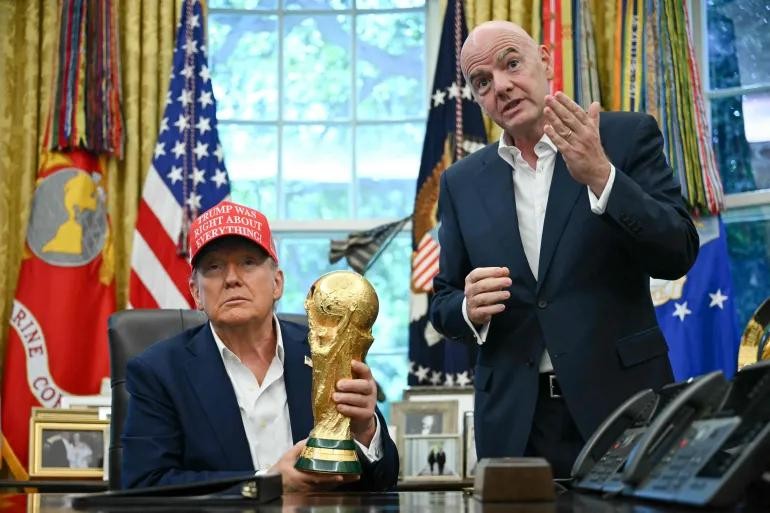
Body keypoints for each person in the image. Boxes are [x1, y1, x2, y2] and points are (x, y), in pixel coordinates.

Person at [429, 20, 699, 479]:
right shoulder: (461, 181)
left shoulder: (625, 137)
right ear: (477, 98)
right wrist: (467, 309)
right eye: (483, 81)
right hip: (516, 422)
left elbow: (678, 251)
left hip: (623, 404)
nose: (502, 86)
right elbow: (443, 301)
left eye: (512, 64)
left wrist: (603, 177)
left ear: (545, 60)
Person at [121, 200, 399, 491]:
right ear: (196, 293)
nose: (231, 279)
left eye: (248, 263)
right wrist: (266, 483)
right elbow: (144, 487)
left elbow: (384, 482)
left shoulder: (327, 349)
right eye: (214, 267)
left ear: (277, 283)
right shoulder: (159, 372)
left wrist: (365, 431)